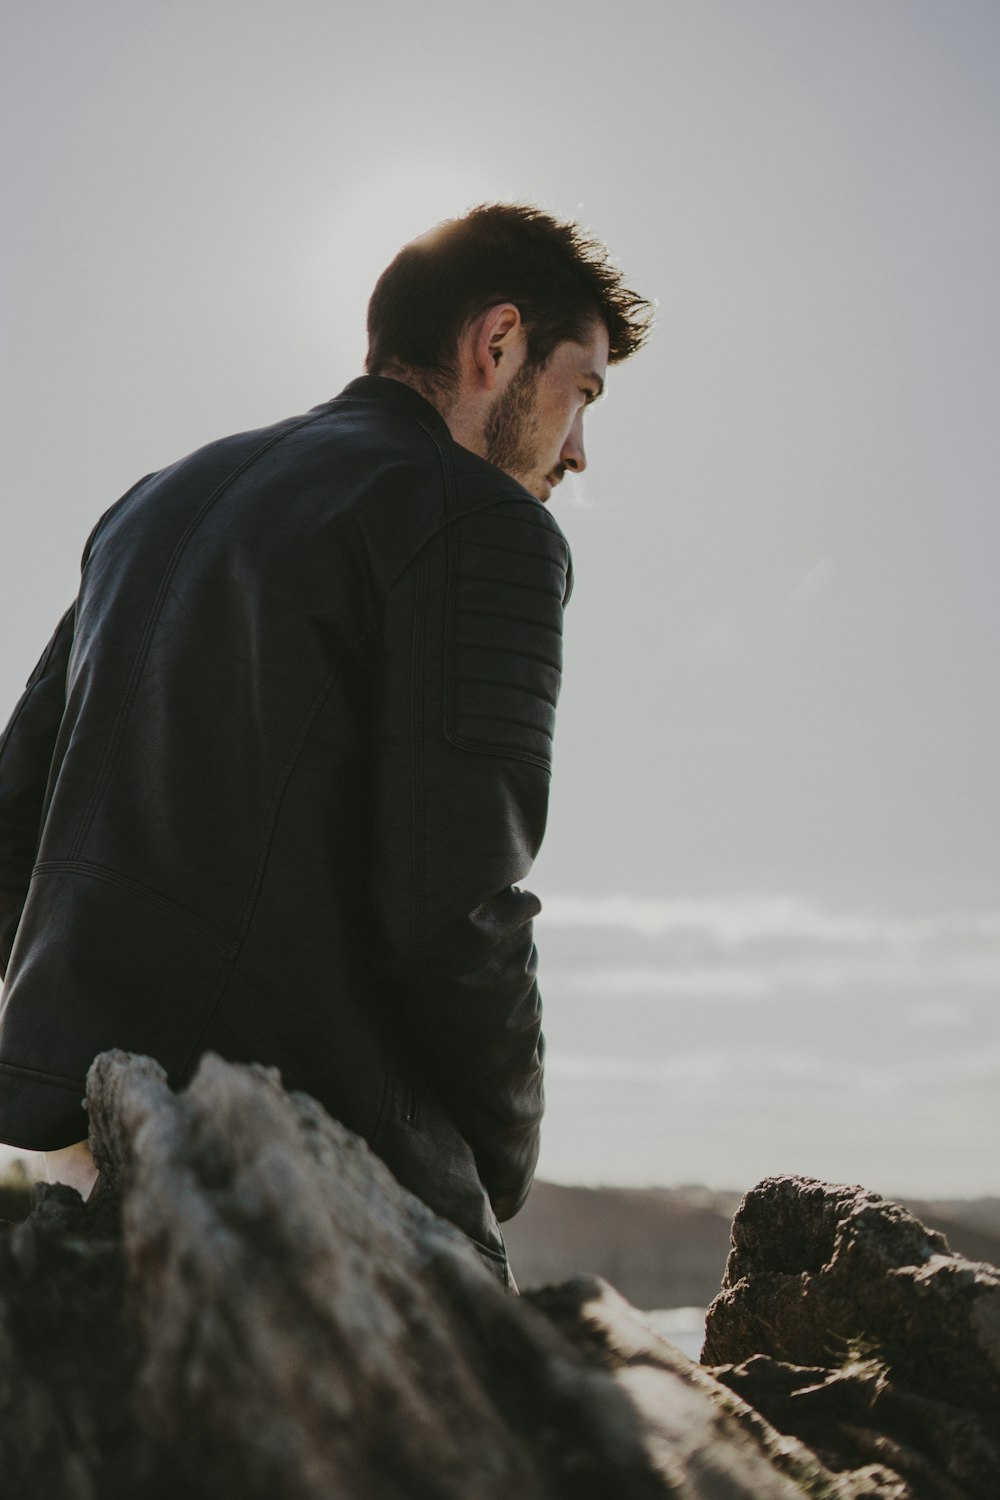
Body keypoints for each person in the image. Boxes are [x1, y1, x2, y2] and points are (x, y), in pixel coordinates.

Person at [0, 204, 650, 1283]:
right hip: (314, 1162)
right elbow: (458, 902)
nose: (576, 450)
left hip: (93, 1137)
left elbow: (13, 824)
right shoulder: (477, 520)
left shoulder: (153, 505)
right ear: (497, 344)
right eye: (578, 391)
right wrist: (499, 1155)